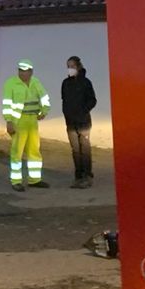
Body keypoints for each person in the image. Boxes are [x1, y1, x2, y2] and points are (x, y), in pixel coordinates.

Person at [2, 60, 51, 190]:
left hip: (32, 121)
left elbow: (44, 97)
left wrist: (44, 111)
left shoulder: (35, 82)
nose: (22, 73)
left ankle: (34, 180)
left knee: (34, 150)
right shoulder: (11, 83)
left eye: (25, 71)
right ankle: (16, 181)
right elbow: (7, 104)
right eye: (20, 70)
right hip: (18, 121)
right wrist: (9, 121)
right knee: (17, 151)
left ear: (31, 71)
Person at [62, 56, 99, 189]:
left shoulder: (86, 82)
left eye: (72, 66)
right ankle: (78, 176)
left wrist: (83, 111)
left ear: (78, 66)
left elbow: (92, 100)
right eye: (68, 66)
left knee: (85, 149)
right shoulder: (65, 83)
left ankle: (87, 176)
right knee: (75, 150)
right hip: (70, 123)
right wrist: (66, 114)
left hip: (83, 122)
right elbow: (64, 101)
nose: (69, 69)